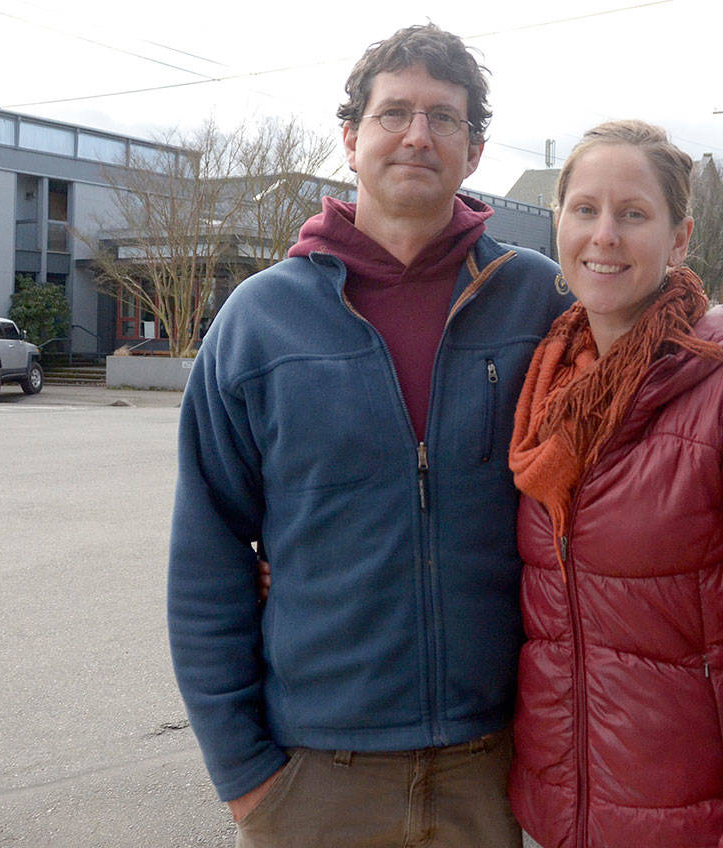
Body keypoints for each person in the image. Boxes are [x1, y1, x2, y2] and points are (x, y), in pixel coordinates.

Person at [167, 24, 570, 846]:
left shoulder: (540, 302)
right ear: (351, 139)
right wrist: (247, 778)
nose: (417, 135)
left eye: (443, 117)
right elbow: (207, 556)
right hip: (314, 779)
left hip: (494, 769)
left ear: (476, 147)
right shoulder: (260, 320)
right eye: (394, 114)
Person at [507, 120, 723, 848]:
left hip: (698, 824)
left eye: (633, 214)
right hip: (555, 821)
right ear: (558, 223)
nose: (604, 235)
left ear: (679, 238)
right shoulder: (545, 385)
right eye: (585, 210)